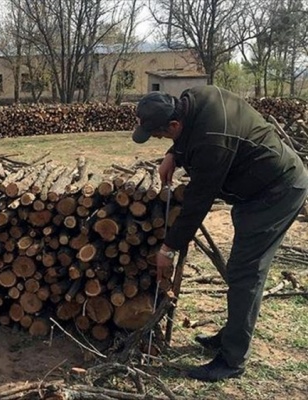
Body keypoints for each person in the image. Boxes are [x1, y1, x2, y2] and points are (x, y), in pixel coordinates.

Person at [131, 85, 308, 382]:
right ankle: (231, 334)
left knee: (245, 272)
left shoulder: (212, 143)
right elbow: (192, 135)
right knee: (241, 270)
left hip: (277, 191)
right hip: (254, 187)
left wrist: (168, 248)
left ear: (174, 124)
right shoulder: (196, 97)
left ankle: (232, 359)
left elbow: (197, 203)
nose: (159, 138)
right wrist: (173, 152)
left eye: (161, 134)